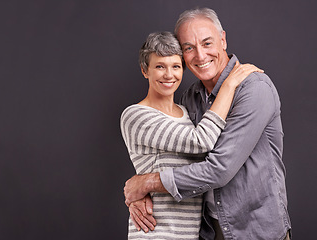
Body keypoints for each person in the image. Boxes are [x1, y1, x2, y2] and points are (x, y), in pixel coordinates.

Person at [124, 8, 292, 240]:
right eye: (189, 48)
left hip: (256, 231)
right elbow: (180, 158)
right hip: (209, 230)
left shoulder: (254, 89)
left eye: (207, 43)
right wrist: (137, 195)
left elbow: (219, 169)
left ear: (223, 40)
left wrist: (147, 183)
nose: (200, 56)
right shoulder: (190, 98)